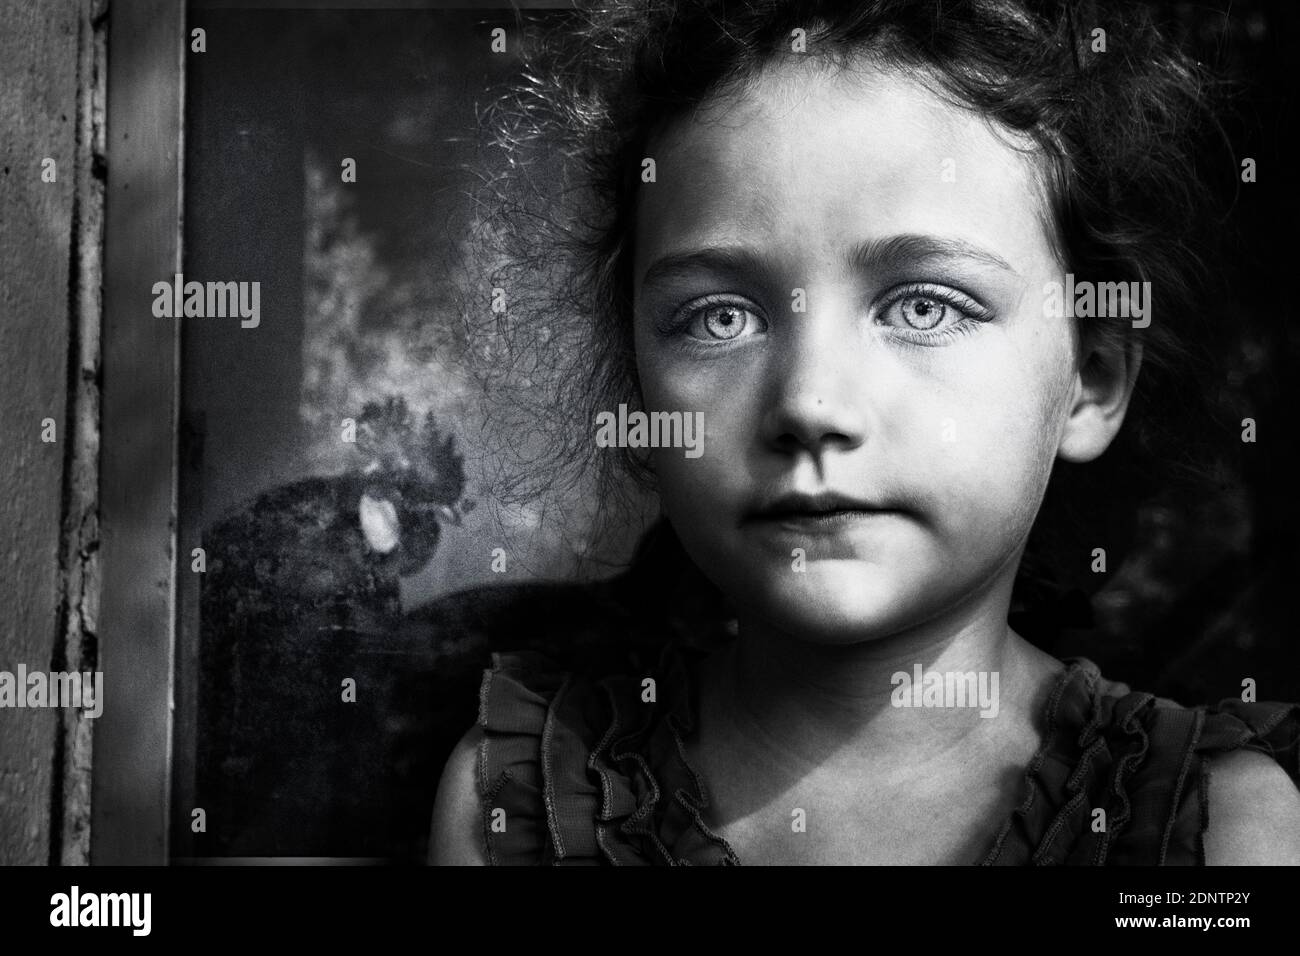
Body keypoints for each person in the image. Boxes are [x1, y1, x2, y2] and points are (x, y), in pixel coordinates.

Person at [428, 0, 1300, 865]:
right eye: (720, 318)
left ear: (1092, 381)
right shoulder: (518, 809)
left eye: (925, 306)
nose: (810, 404)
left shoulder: (1221, 831)